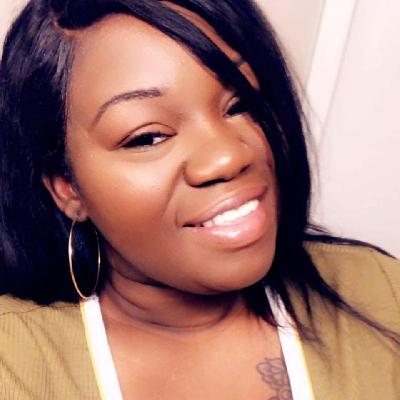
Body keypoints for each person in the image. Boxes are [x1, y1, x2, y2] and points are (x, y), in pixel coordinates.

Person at [0, 0, 399, 399]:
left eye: (240, 104)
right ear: (67, 187)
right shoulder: (13, 361)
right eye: (148, 137)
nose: (228, 156)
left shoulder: (380, 290)